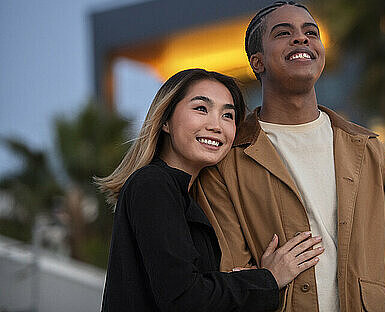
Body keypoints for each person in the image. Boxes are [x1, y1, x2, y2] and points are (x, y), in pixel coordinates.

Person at [197, 2, 385, 311]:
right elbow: (231, 274)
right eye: (283, 33)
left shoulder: (368, 150)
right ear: (258, 62)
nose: (301, 38)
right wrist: (266, 278)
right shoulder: (227, 161)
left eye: (311, 32)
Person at [97, 68, 324, 312]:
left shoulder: (186, 194)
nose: (216, 125)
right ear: (165, 120)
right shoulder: (152, 184)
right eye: (201, 109)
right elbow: (184, 298)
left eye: (228, 115)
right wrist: (268, 278)